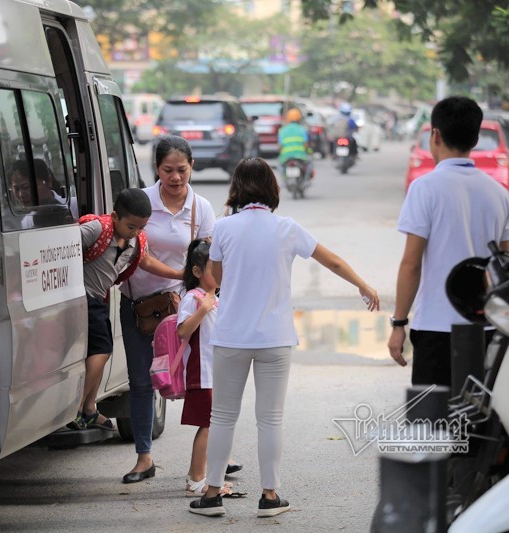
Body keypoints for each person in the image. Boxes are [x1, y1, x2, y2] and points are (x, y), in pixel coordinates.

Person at [188, 157, 380, 518]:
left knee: (223, 416)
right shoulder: (287, 228)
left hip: (231, 336)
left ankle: (212, 495)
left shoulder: (224, 228)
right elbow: (332, 260)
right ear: (272, 189)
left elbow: (219, 277)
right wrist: (363, 285)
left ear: (236, 188)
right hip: (274, 337)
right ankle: (270, 496)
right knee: (270, 418)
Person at [387, 96, 509, 387]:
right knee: (476, 412)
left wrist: (399, 323)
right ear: (476, 138)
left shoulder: (424, 189)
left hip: (435, 328)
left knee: (432, 413)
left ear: (435, 135)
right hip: (486, 328)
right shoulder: (499, 194)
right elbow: (504, 267)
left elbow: (411, 264)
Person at [118, 135, 217, 484]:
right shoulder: (142, 202)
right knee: (141, 381)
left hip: (183, 308)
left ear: (192, 167)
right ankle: (144, 457)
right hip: (140, 307)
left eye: (182, 170)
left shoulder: (202, 208)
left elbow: (209, 260)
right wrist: (179, 274)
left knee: (200, 380)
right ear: (157, 169)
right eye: (167, 170)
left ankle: (213, 453)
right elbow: (138, 255)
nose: (175, 177)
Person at [71, 188, 183, 431]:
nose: (136, 232)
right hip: (82, 297)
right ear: (115, 217)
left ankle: (89, 408)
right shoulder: (97, 229)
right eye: (131, 226)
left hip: (98, 299)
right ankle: (76, 409)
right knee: (102, 350)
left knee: (102, 350)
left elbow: (147, 261)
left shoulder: (136, 242)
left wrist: (178, 274)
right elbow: (63, 249)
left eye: (142, 227)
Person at [177, 239, 239, 496]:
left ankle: (205, 477)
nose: (220, 273)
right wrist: (202, 310)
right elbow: (183, 331)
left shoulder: (215, 298)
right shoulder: (193, 298)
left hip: (216, 373)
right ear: (197, 271)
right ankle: (196, 478)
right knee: (208, 425)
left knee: (212, 425)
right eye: (215, 269)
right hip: (202, 372)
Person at [8, 158, 71, 228]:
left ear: (48, 181)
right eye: (16, 189)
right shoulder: (27, 221)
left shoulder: (73, 205)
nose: (21, 195)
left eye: (26, 187)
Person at [277, 107, 312, 183]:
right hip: (301, 156)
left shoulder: (282, 130)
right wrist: (309, 151)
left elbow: (280, 147)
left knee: (279, 165)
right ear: (299, 118)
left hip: (286, 157)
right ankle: (306, 181)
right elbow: (306, 145)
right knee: (309, 163)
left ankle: (284, 181)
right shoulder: (302, 129)